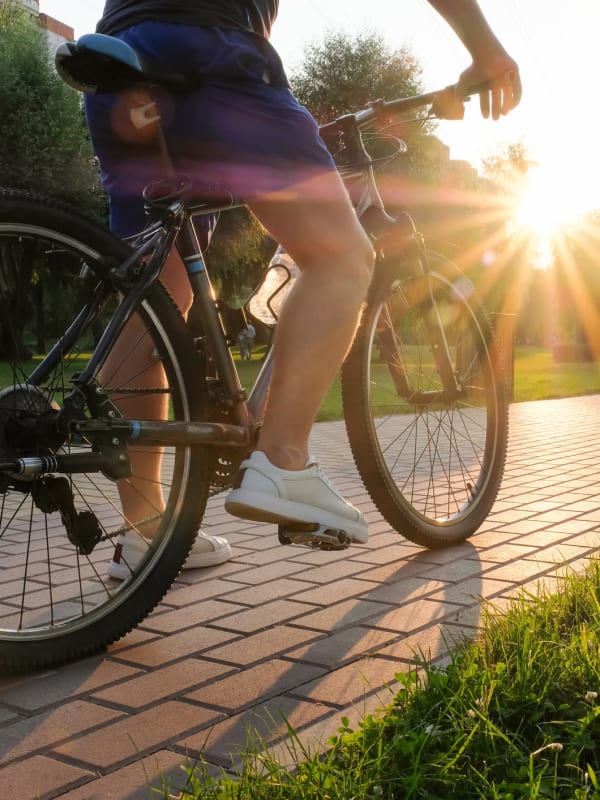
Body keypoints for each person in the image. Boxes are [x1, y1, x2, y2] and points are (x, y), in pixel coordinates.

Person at [84, 0, 522, 573]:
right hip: (208, 48)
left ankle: (145, 532)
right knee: (340, 257)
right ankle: (283, 461)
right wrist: (484, 48)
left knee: (155, 302)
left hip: (118, 60)